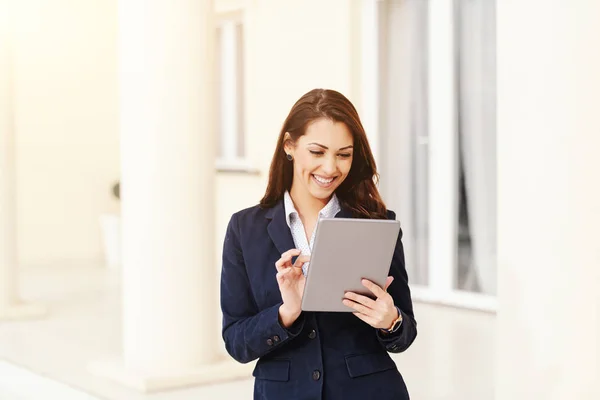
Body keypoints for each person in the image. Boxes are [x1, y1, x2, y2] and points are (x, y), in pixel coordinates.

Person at [220, 88, 417, 400]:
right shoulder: (245, 229)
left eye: (343, 154)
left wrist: (390, 322)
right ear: (289, 146)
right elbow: (236, 341)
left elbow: (405, 333)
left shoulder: (377, 223)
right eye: (317, 152)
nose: (330, 168)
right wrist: (287, 312)